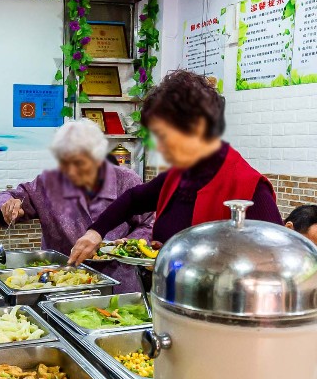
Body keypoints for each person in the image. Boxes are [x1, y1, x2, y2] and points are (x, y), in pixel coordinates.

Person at [68, 70, 280, 265]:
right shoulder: (181, 175)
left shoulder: (249, 188)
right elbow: (133, 199)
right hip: (168, 300)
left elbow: (273, 262)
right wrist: (95, 232)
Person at [0, 120, 152, 292]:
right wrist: (8, 204)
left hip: (117, 282)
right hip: (61, 281)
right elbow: (12, 196)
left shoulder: (126, 180)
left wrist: (127, 244)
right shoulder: (48, 183)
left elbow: (150, 222)